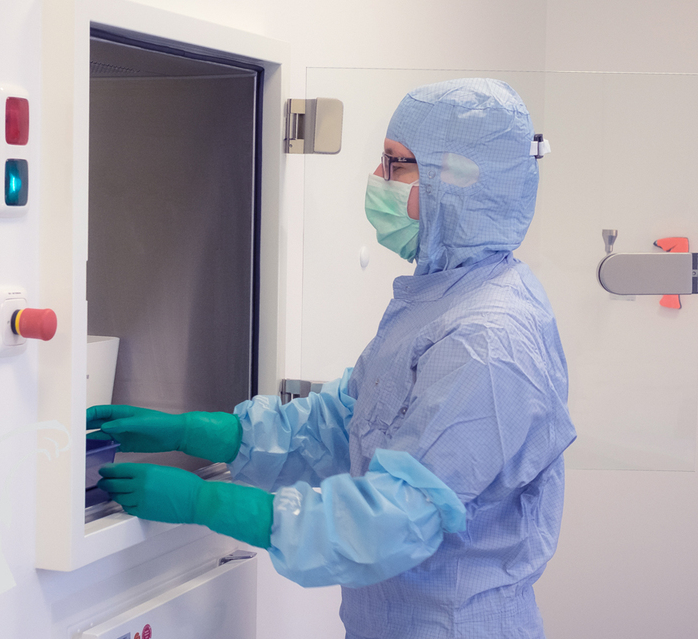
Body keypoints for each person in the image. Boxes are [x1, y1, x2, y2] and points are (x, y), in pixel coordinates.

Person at [89, 78, 576, 639]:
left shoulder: (488, 340)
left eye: (395, 164)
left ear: (458, 181)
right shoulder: (444, 300)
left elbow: (394, 519)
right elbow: (347, 422)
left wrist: (209, 501)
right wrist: (205, 433)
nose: (377, 178)